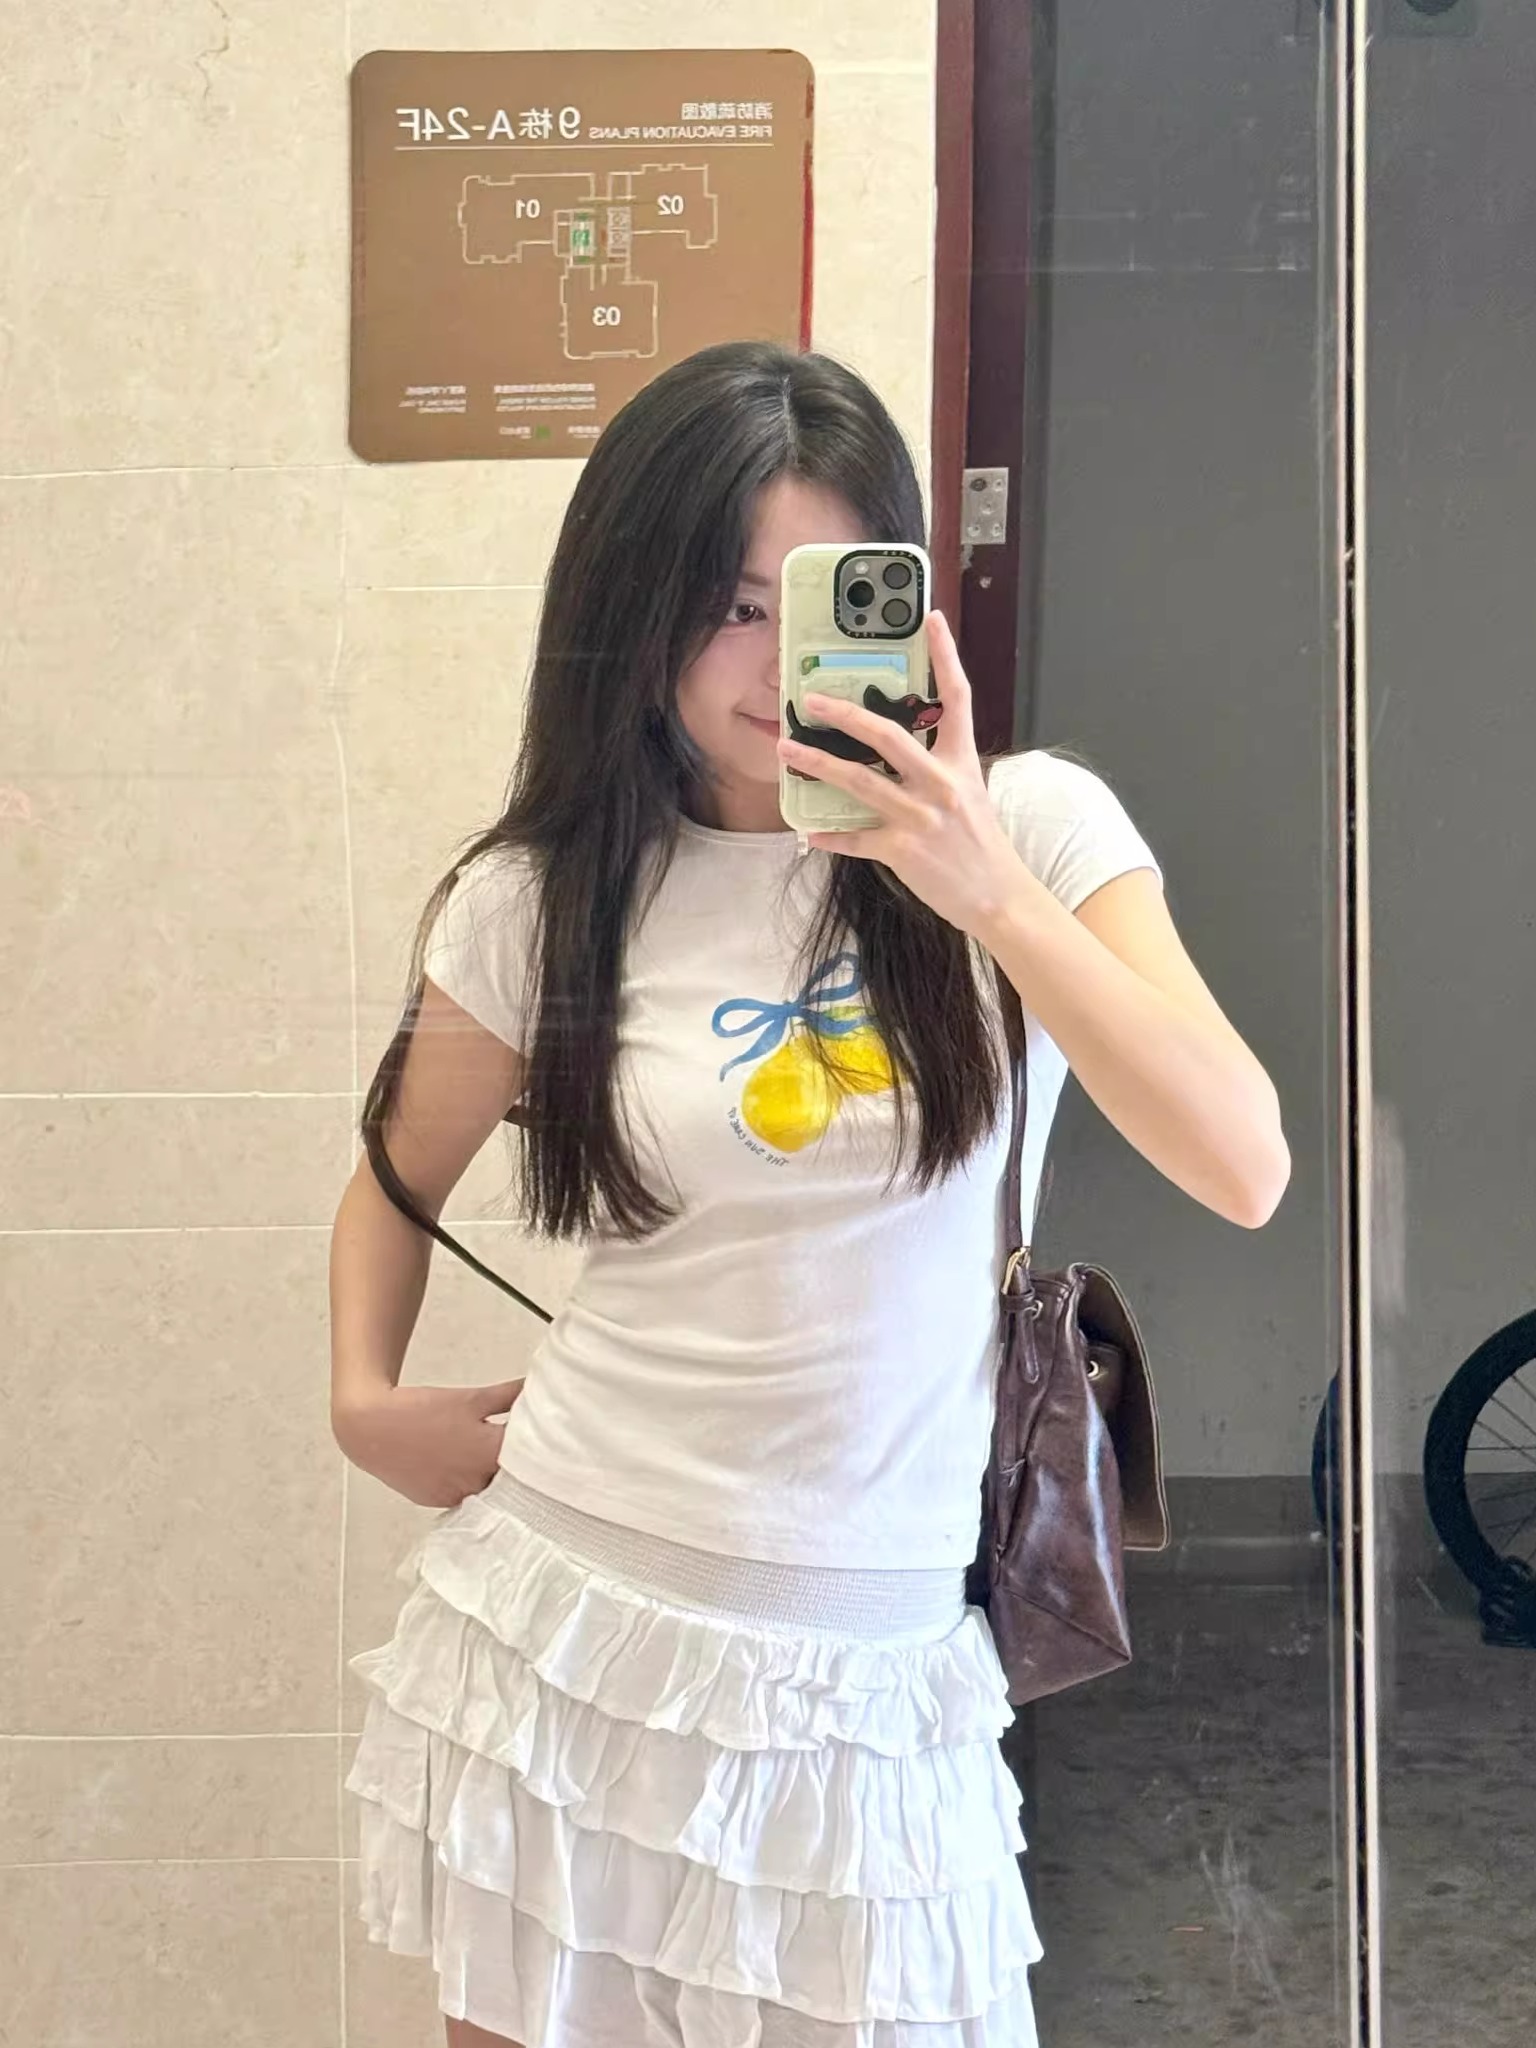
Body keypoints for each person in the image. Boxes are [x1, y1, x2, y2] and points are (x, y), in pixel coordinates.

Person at [329, 340, 1290, 2048]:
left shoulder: (1038, 829)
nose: (779, 667)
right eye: (729, 607)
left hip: (875, 1672)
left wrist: (982, 890)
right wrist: (362, 1400)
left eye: (828, 602)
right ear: (630, 614)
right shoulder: (544, 898)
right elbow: (392, 1182)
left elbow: (1244, 1164)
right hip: (574, 1625)